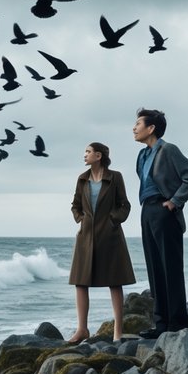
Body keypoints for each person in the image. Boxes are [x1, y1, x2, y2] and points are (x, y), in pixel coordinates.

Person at [133, 108, 188, 339]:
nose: (134, 128)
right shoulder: (142, 155)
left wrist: (175, 201)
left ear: (151, 128)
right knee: (154, 268)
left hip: (164, 210)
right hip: (147, 210)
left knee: (170, 267)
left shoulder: (168, 149)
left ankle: (178, 322)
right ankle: (161, 323)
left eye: (138, 124)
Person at [68, 142, 136, 343]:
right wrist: (81, 219)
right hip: (86, 236)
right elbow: (75, 205)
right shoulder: (82, 179)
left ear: (98, 156)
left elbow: (125, 205)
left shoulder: (115, 177)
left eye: (88, 152)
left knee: (115, 281)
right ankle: (82, 329)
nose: (85, 155)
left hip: (110, 235)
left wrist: (113, 220)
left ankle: (118, 331)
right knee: (80, 282)